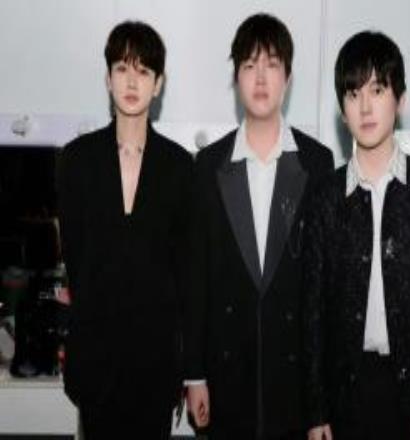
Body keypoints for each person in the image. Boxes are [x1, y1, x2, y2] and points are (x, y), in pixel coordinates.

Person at [303, 31, 410, 440]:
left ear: (400, 99)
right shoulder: (324, 196)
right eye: (353, 93)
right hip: (344, 401)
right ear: (342, 110)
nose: (365, 106)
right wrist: (316, 410)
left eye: (377, 90)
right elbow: (312, 314)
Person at [184, 12, 333, 440]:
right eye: (249, 65)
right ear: (236, 79)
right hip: (227, 373)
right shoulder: (209, 165)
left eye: (272, 64)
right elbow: (196, 277)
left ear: (288, 77)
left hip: (295, 380)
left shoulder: (317, 163)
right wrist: (194, 374)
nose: (261, 78)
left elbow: (325, 288)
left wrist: (322, 397)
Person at [58, 21, 192, 439]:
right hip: (95, 366)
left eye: (144, 71)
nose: (132, 82)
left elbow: (183, 273)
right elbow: (77, 262)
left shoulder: (180, 167)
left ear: (159, 84)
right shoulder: (76, 161)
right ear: (107, 78)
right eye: (122, 68)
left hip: (156, 367)